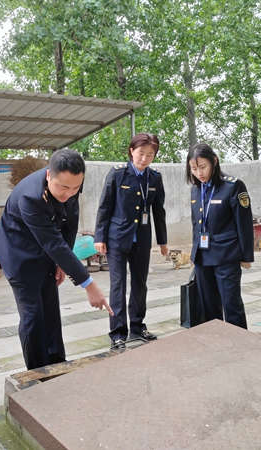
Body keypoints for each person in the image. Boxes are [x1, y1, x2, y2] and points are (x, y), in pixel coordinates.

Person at [0, 149, 113, 370]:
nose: (69, 193)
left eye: (75, 188)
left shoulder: (71, 183)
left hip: (45, 250)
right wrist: (88, 284)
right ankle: (39, 371)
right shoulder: (31, 197)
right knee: (33, 315)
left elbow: (70, 223)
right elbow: (53, 243)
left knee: (50, 310)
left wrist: (61, 263)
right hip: (18, 253)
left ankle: (57, 363)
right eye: (64, 188)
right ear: (49, 175)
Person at [94, 132, 168, 350]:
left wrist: (162, 241)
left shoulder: (155, 177)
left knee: (140, 284)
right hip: (117, 239)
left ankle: (137, 326)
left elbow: (159, 211)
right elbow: (105, 206)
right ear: (131, 151)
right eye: (141, 153)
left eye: (150, 154)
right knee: (118, 285)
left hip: (142, 239)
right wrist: (100, 237)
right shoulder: (118, 173)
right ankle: (117, 333)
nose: (144, 159)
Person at [186, 142, 254, 329]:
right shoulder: (195, 189)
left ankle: (239, 341)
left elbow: (244, 223)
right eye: (194, 169)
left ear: (214, 161)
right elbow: (196, 224)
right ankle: (215, 339)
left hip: (227, 255)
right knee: (208, 304)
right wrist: (194, 254)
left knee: (231, 303)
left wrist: (246, 256)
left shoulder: (233, 186)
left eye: (202, 167)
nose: (199, 173)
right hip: (203, 256)